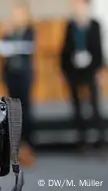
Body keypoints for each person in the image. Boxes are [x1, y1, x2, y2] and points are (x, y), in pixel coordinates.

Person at [61, 0, 104, 149]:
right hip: (74, 70)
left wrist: (99, 69)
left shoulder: (94, 25)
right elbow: (65, 49)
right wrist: (64, 69)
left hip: (91, 69)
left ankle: (100, 139)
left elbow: (98, 49)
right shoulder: (71, 25)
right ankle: (82, 140)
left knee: (94, 103)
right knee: (77, 104)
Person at [1, 3, 34, 146]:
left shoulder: (29, 30)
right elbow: (4, 49)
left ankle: (29, 140)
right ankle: (16, 142)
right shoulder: (9, 31)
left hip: (24, 74)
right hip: (10, 73)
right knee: (12, 108)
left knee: (25, 107)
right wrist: (6, 33)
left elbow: (27, 47)